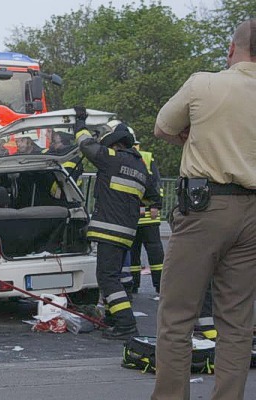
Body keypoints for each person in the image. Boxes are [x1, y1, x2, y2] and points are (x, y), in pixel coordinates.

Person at [151, 19, 256, 400]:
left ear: (231, 49)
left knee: (177, 317)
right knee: (237, 322)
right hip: (252, 215)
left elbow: (163, 127)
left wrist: (192, 135)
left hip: (204, 208)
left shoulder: (204, 84)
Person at [73, 107, 158, 340]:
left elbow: (86, 145)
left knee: (107, 278)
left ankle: (126, 325)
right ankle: (112, 319)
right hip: (128, 232)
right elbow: (154, 197)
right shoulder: (141, 167)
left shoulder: (112, 158)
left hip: (109, 229)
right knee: (116, 277)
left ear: (114, 143)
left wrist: (80, 123)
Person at [128, 135, 164, 294]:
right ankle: (157, 285)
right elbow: (156, 183)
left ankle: (137, 285)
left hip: (143, 214)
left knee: (140, 252)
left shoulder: (138, 158)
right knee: (148, 251)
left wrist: (152, 204)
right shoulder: (142, 157)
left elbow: (154, 183)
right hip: (143, 214)